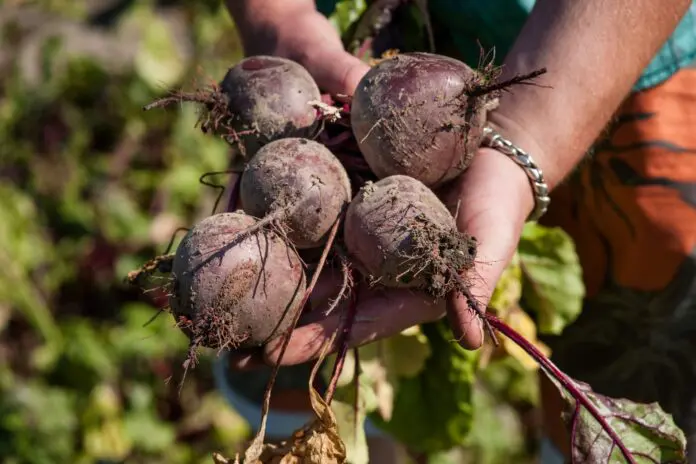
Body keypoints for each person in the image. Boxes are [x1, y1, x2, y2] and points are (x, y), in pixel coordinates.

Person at [217, 1, 696, 462]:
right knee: (288, 362)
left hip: (616, 48)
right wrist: (276, 14)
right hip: (331, 42)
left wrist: (528, 131)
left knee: (629, 352)